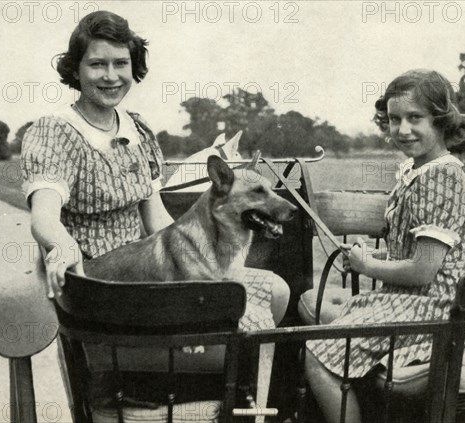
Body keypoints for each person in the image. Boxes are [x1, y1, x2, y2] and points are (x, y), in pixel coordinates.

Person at [20, 10, 289, 399]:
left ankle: (213, 393)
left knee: (276, 292)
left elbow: (157, 218)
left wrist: (207, 259)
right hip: (102, 284)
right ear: (75, 70)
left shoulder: (138, 129)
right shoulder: (54, 132)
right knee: (236, 335)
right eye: (97, 64)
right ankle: (182, 389)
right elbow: (44, 216)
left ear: (134, 67)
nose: (110, 75)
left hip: (151, 273)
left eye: (121, 63)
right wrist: (61, 246)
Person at [303, 69, 465, 422]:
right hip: (413, 299)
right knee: (324, 317)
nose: (402, 129)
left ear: (441, 121)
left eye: (415, 118)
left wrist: (368, 267)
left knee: (316, 354)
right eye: (394, 119)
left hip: (439, 309)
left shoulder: (441, 176)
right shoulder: (419, 170)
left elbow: (423, 271)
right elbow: (413, 255)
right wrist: (375, 258)